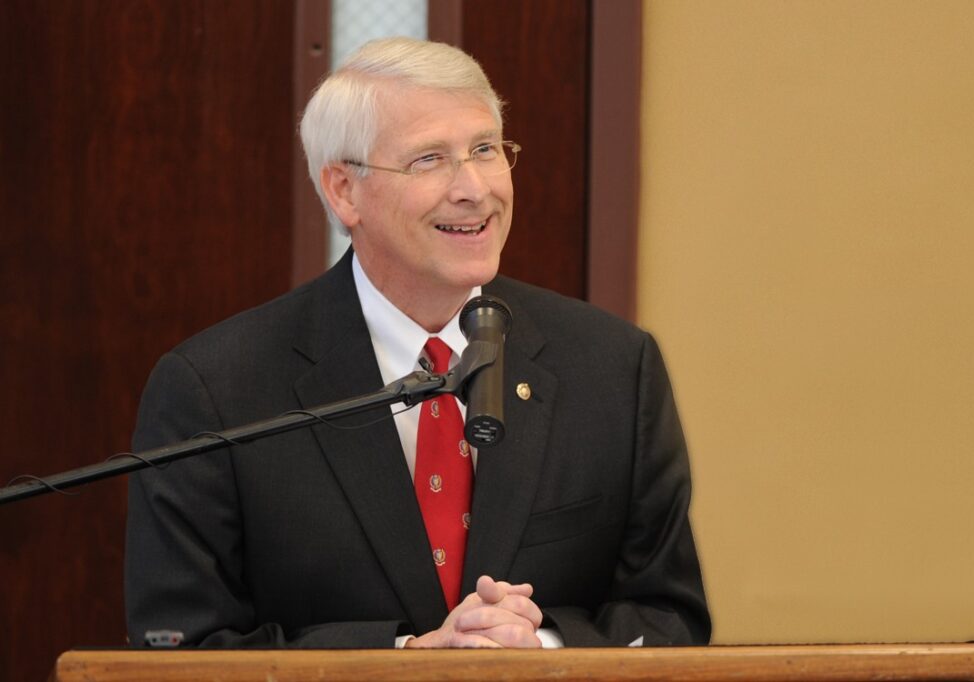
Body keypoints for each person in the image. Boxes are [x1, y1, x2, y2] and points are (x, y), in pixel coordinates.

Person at [125, 37, 710, 649]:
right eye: (429, 159)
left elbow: (670, 616)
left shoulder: (615, 366)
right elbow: (182, 646)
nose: (474, 189)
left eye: (485, 149)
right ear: (343, 190)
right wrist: (407, 659)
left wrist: (542, 648)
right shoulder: (216, 388)